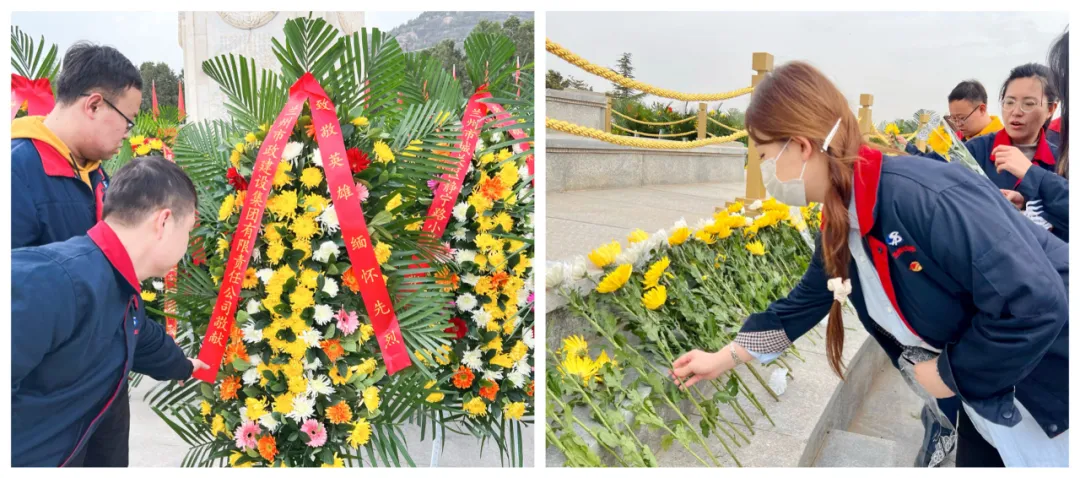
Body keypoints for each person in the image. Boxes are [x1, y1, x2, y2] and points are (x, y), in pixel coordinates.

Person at [671, 62, 1068, 467]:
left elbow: (1037, 304)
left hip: (1052, 389)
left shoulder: (921, 198)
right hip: (993, 400)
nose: (763, 170)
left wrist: (952, 374)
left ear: (801, 146)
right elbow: (805, 302)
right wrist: (721, 359)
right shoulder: (844, 218)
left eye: (763, 155)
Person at [11, 157, 209, 467]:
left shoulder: (117, 282)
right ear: (164, 222)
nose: (186, 245)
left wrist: (184, 366)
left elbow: (139, 334)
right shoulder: (55, 279)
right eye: (188, 231)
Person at [10, 41, 143, 467]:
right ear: (94, 104)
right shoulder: (16, 173)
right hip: (49, 410)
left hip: (104, 393)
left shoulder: (97, 175)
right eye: (127, 120)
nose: (128, 133)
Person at [1000, 30, 1068, 242]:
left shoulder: (1059, 156)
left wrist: (1033, 176)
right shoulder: (976, 149)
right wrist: (1026, 202)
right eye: (1009, 102)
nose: (1016, 112)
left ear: (1051, 108)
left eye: (1028, 104)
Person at [895, 80, 1004, 153]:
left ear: (982, 109)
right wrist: (908, 147)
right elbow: (937, 163)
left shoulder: (1003, 142)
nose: (958, 124)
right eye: (954, 119)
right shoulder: (957, 140)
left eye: (962, 118)